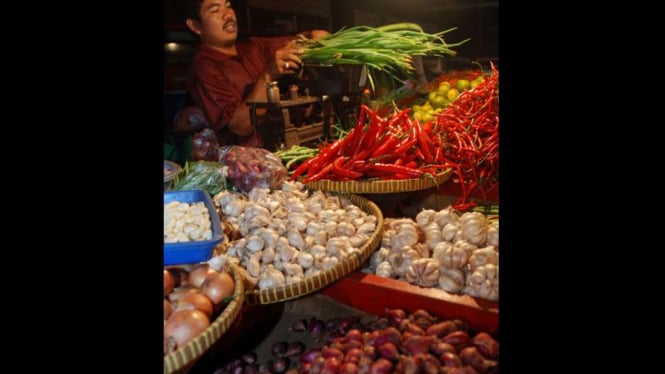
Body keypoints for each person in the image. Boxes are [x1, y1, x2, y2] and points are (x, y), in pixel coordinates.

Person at [183, 0, 329, 147]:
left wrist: (311, 35)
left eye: (228, 6)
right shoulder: (204, 67)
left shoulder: (253, 46)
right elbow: (240, 126)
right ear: (195, 25)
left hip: (284, 147)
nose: (228, 15)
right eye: (215, 10)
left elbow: (295, 41)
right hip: (249, 164)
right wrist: (268, 76)